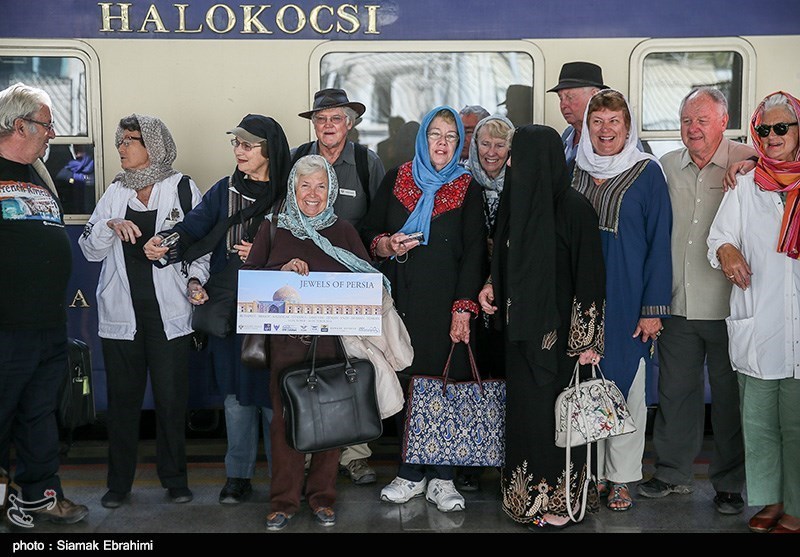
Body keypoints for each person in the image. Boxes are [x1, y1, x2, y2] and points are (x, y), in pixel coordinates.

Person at [143, 114, 291, 505]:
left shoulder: (293, 192)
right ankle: (237, 477)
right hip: (232, 308)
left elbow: (314, 244)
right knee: (237, 395)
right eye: (236, 144)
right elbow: (192, 228)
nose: (239, 151)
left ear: (269, 150)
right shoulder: (224, 191)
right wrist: (164, 242)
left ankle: (285, 481)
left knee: (278, 394)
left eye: (248, 144)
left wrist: (269, 253)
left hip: (282, 309)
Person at [242, 154, 384, 531]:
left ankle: (322, 497)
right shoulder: (274, 228)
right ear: (293, 187)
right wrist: (282, 271)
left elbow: (368, 282)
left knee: (331, 418)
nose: (312, 193)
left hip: (333, 344)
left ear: (331, 190)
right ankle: (283, 501)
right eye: (305, 185)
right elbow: (251, 281)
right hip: (286, 345)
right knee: (285, 422)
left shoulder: (343, 231)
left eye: (321, 186)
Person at [479, 124, 605, 529]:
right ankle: (524, 500)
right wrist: (490, 287)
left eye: (518, 154)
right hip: (519, 337)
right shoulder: (516, 202)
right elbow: (502, 259)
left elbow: (589, 278)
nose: (510, 161)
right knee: (525, 420)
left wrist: (587, 340)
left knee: (561, 422)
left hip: (564, 342)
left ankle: (562, 503)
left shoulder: (574, 209)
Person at [79, 114, 208, 507]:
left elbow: (200, 246)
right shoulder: (115, 192)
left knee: (171, 402)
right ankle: (118, 485)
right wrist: (110, 225)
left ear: (153, 145)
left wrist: (195, 280)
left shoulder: (182, 188)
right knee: (122, 406)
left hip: (169, 316)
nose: (121, 146)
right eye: (120, 140)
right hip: (122, 318)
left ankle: (175, 480)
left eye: (130, 140)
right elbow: (89, 249)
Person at [362, 106, 486, 513]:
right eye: (436, 133)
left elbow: (473, 256)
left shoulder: (467, 187)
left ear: (459, 143)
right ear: (423, 138)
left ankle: (444, 478)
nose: (443, 143)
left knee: (445, 382)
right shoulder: (397, 179)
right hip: (401, 301)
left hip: (447, 305)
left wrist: (463, 309)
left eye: (451, 136)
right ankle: (410, 472)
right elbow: (368, 235)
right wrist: (387, 244)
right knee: (406, 381)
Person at [638, 87, 752, 514]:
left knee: (728, 401)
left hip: (729, 307)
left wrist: (753, 161)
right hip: (679, 304)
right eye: (687, 120)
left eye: (702, 120)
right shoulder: (667, 166)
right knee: (675, 394)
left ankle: (728, 484)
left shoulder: (746, 161)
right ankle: (671, 474)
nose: (693, 128)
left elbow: (783, 166)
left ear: (724, 122)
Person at [572, 89, 673, 512]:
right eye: (597, 121)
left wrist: (652, 310)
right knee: (586, 391)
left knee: (627, 392)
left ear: (628, 127)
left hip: (629, 300)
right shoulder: (573, 169)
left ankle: (622, 478)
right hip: (582, 303)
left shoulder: (646, 173)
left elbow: (658, 244)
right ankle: (590, 474)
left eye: (614, 121)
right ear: (587, 127)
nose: (605, 129)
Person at [707, 91, 800, 534]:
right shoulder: (744, 184)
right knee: (759, 423)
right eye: (764, 129)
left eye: (782, 127)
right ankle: (771, 500)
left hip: (797, 323)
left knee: (797, 426)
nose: (772, 135)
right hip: (759, 319)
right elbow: (718, 236)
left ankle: (798, 506)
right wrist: (726, 252)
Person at [0, 82, 89, 524]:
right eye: (46, 125)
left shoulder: (40, 174)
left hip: (47, 324)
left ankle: (40, 495)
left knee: (40, 416)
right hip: (6, 327)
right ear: (19, 126)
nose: (51, 135)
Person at [293, 88, 386, 485]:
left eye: (335, 118)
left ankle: (356, 455)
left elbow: (381, 219)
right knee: (311, 367)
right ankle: (314, 450)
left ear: (349, 123)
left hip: (353, 284)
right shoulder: (299, 159)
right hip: (307, 284)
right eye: (321, 119)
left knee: (355, 366)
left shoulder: (367, 162)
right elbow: (285, 211)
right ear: (314, 124)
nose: (328, 126)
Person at [457, 113, 514, 493]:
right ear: (474, 145)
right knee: (472, 374)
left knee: (505, 374)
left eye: (499, 144)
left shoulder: (521, 184)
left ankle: (506, 456)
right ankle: (472, 461)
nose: (491, 152)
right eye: (484, 143)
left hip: (507, 294)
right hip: (467, 288)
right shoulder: (462, 181)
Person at [547, 61, 607, 173]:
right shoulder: (567, 134)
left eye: (570, 97)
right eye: (561, 98)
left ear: (594, 95)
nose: (563, 105)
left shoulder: (613, 137)